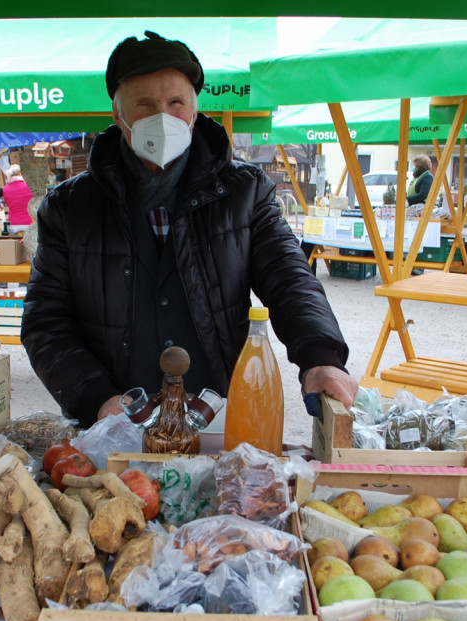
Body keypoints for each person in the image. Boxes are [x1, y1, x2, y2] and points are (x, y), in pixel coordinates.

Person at [21, 30, 359, 428]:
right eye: (145, 105)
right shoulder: (68, 208)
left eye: (175, 102)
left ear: (195, 111)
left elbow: (290, 279)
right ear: (118, 114)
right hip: (114, 424)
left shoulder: (245, 193)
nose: (162, 117)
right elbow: (47, 320)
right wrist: (96, 397)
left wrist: (321, 357)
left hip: (216, 415)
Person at [2, 165, 34, 229]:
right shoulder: (30, 186)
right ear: (21, 173)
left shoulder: (5, 189)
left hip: (13, 224)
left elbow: (6, 204)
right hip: (29, 222)